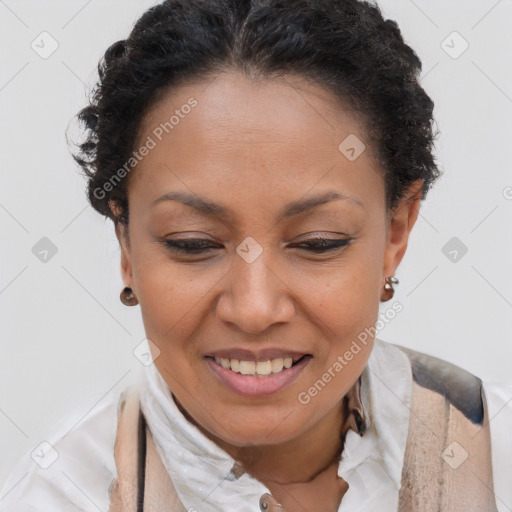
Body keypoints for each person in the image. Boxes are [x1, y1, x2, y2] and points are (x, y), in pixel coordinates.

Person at [1, 0, 511, 510]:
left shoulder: (493, 452)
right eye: (192, 243)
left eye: (318, 243)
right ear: (126, 245)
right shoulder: (63, 496)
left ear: (395, 234)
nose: (253, 309)